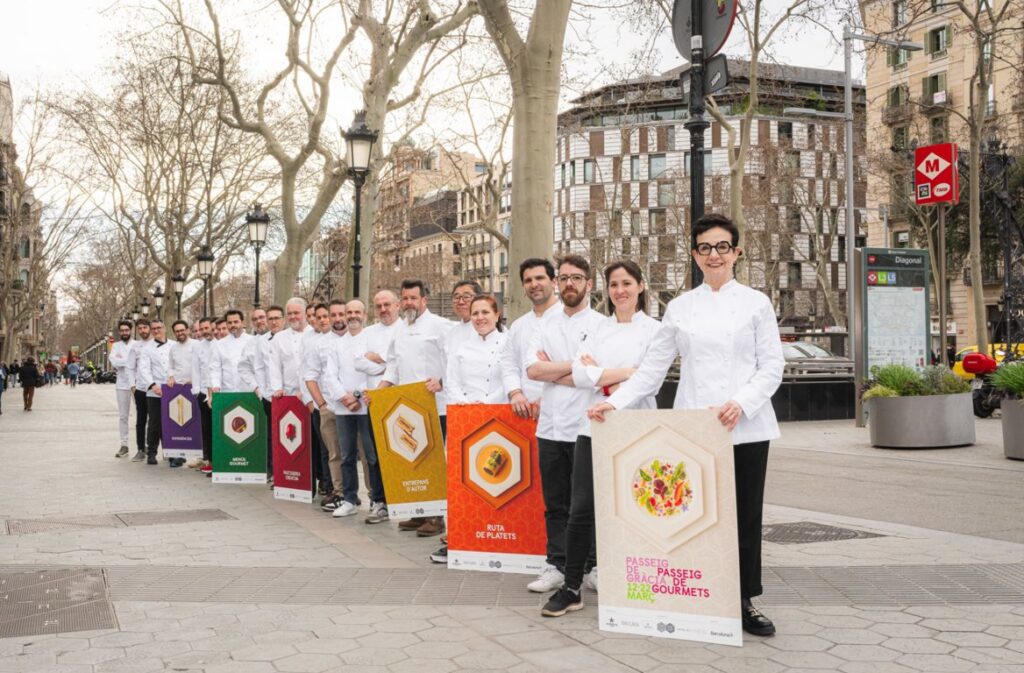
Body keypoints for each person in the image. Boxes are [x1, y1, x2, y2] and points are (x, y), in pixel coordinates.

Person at [589, 214, 785, 636]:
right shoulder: (679, 308)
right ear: (695, 255)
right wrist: (615, 404)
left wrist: (741, 402)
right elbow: (650, 372)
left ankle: (744, 599)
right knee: (693, 515)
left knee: (744, 516)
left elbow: (772, 366)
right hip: (694, 429)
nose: (714, 255)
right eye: (705, 248)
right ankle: (699, 597)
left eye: (722, 247)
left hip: (745, 425)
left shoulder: (756, 303)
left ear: (736, 252)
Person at [540, 260, 661, 617]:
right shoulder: (596, 328)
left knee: (635, 509)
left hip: (637, 428)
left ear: (640, 286)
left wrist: (601, 379)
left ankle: (637, 582)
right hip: (592, 427)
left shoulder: (655, 330)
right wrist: (619, 377)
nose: (620, 291)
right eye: (613, 285)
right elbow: (579, 372)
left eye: (626, 283)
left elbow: (649, 382)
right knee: (581, 510)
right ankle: (572, 587)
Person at [525, 254, 605, 593]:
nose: (569, 283)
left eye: (577, 278)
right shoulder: (545, 325)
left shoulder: (603, 325)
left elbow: (596, 376)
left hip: (586, 427)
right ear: (557, 283)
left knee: (585, 504)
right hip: (550, 428)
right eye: (564, 278)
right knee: (555, 502)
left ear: (589, 283)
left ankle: (592, 565)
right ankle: (556, 564)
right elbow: (532, 370)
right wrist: (573, 367)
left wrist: (556, 370)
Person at [379, 279, 454, 538]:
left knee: (434, 461)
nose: (409, 302)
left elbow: (454, 360)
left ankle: (436, 517)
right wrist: (380, 390)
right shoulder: (398, 331)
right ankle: (419, 511)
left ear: (425, 300)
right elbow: (392, 365)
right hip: (407, 406)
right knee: (415, 460)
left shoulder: (442, 327)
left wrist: (442, 381)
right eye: (406, 298)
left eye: (414, 298)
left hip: (436, 405)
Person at [325, 299, 389, 522]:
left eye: (356, 312)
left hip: (367, 405)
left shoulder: (372, 339)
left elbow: (381, 369)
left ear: (364, 313)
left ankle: (378, 500)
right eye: (348, 312)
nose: (351, 316)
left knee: (372, 456)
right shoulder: (335, 344)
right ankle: (350, 499)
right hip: (344, 408)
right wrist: (344, 397)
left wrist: (358, 395)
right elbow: (330, 374)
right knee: (347, 455)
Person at [304, 300, 345, 505]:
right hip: (328, 405)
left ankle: (375, 498)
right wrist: (320, 403)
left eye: (326, 316)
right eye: (320, 316)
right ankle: (337, 492)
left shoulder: (356, 338)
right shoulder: (318, 343)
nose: (325, 320)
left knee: (365, 454)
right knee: (332, 452)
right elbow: (309, 375)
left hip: (356, 405)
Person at [166, 319, 199, 468]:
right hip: (178, 389)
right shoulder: (173, 348)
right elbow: (171, 366)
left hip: (194, 388)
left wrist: (194, 379)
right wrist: (171, 377)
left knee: (195, 423)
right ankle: (178, 456)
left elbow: (201, 366)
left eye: (182, 330)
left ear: (188, 330)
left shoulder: (196, 345)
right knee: (178, 423)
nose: (180, 333)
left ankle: (199, 456)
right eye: (177, 331)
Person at [138, 320, 170, 465]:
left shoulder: (174, 345)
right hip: (154, 391)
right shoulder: (146, 348)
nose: (156, 331)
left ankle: (172, 452)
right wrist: (152, 385)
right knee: (154, 423)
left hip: (172, 389)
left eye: (159, 328)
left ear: (164, 328)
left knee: (173, 422)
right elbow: (143, 368)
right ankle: (151, 452)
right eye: (154, 329)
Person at [191, 318, 215, 473]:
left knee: (217, 427)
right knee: (205, 427)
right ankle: (208, 460)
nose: (205, 331)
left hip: (218, 393)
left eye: (207, 327)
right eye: (202, 328)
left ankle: (219, 460)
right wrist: (197, 390)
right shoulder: (198, 347)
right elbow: (195, 369)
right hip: (202, 393)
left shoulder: (220, 344)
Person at [128, 319, 153, 461]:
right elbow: (130, 367)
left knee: (156, 420)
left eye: (145, 327)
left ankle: (159, 448)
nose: (143, 330)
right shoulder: (135, 347)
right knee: (141, 420)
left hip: (156, 389)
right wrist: (133, 386)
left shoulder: (158, 344)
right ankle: (141, 449)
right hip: (141, 389)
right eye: (140, 328)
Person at [110, 320, 135, 457]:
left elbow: (138, 362)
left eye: (127, 330)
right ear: (119, 332)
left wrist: (122, 360)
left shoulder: (137, 345)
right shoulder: (115, 346)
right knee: (123, 416)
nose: (125, 332)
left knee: (142, 416)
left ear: (131, 331)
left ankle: (143, 445)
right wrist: (128, 361)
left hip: (137, 384)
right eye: (122, 330)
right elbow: (113, 362)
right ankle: (124, 445)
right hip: (121, 384)